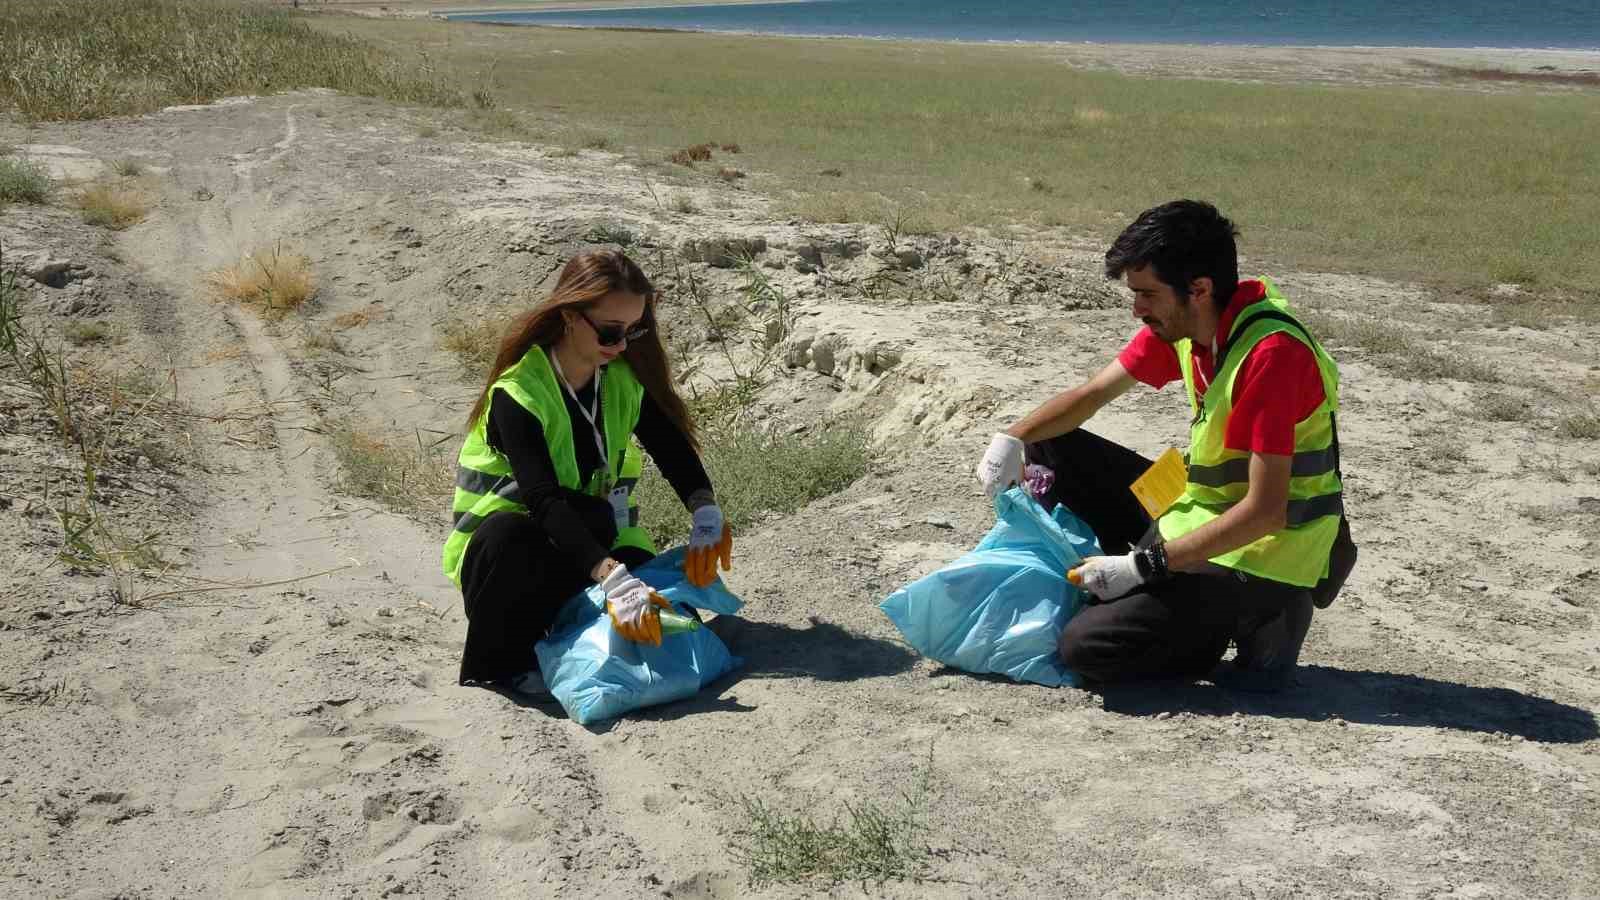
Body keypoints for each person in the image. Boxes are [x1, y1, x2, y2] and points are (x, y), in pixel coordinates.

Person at [975, 200, 1354, 691]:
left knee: (1085, 649)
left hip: (1263, 553)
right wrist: (1013, 437)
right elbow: (1092, 394)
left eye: (1146, 295)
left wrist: (1143, 565)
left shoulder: (1272, 356)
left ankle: (1267, 615)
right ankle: (1139, 593)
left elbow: (1265, 513)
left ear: (1199, 289)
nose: (1137, 309)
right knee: (1052, 446)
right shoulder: (1188, 325)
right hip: (1202, 510)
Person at [442, 250, 732, 690]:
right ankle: (499, 666)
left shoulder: (618, 379)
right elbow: (543, 501)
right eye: (611, 331)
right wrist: (611, 576)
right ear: (570, 316)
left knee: (667, 620)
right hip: (513, 558)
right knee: (512, 537)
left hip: (589, 538)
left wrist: (705, 509)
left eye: (633, 331)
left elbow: (672, 450)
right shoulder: (518, 393)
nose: (621, 346)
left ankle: (568, 632)